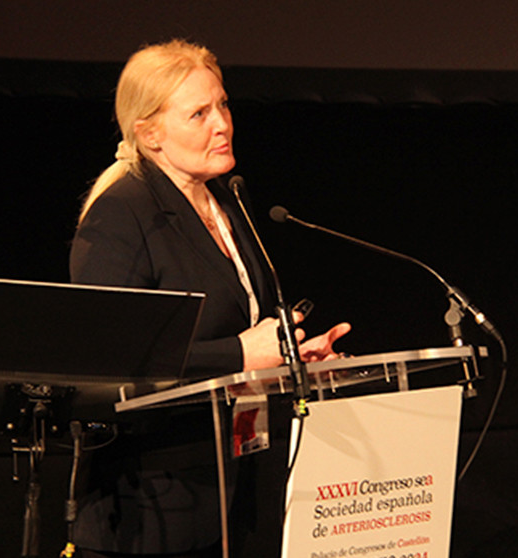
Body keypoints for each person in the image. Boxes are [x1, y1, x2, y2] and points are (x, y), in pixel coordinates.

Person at [69, 39, 350, 557]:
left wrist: (288, 360)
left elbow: (240, 331)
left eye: (222, 105)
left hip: (233, 485)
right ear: (150, 134)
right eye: (198, 113)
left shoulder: (226, 199)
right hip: (150, 509)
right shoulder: (122, 213)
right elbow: (106, 358)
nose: (221, 124)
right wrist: (240, 354)